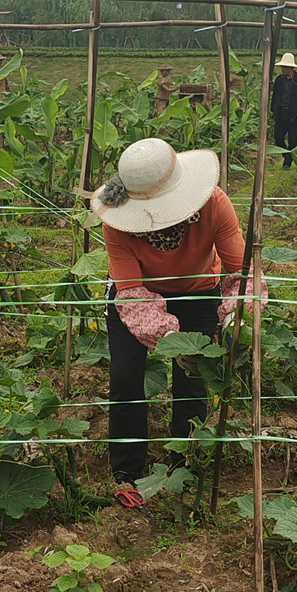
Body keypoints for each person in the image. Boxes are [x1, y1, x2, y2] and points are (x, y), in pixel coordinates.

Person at [90, 138, 265, 508]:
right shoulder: (117, 220)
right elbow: (132, 292)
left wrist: (238, 316)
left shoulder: (214, 203)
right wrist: (169, 338)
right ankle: (127, 472)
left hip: (198, 289)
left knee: (193, 380)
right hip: (134, 295)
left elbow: (242, 270)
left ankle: (185, 465)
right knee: (125, 380)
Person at [270, 52, 297, 168]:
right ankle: (288, 156)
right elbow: (275, 96)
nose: (282, 69)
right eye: (282, 67)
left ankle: (287, 163)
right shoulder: (279, 80)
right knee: (278, 139)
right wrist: (273, 110)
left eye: (284, 67)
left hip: (293, 114)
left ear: (290, 67)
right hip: (281, 113)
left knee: (292, 141)